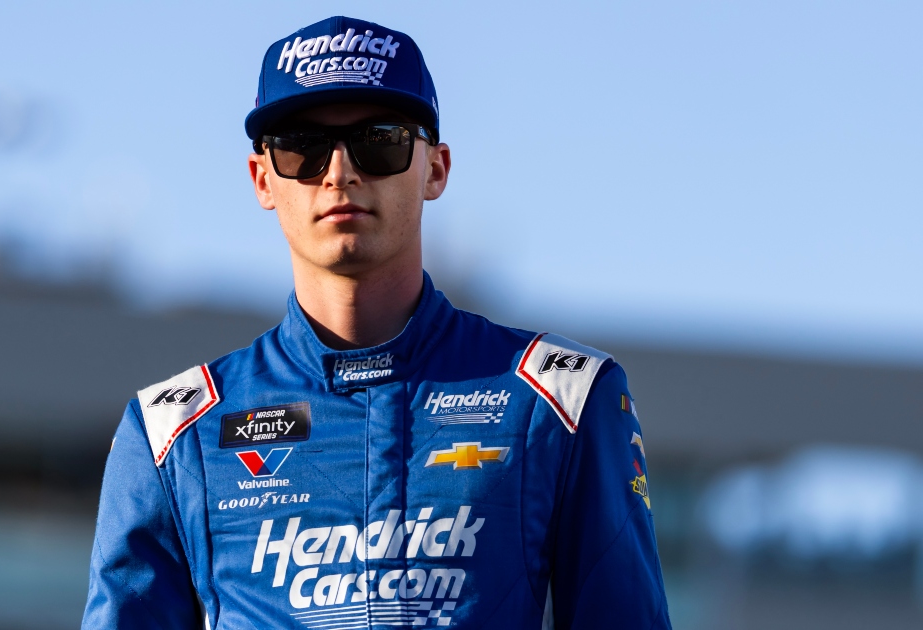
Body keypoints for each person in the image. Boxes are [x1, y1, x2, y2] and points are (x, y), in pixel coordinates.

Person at [82, 15, 671, 630]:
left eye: (380, 140)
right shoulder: (173, 431)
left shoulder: (563, 398)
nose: (339, 172)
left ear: (436, 169)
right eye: (301, 146)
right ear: (262, 177)